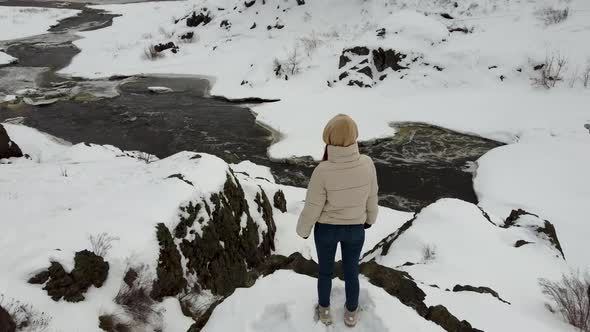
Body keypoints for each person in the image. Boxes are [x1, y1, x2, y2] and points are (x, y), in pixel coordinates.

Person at [296, 114, 379, 327]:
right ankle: (351, 312)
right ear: (355, 136)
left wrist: (303, 230)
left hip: (326, 231)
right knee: (352, 272)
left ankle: (324, 310)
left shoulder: (322, 170)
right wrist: (370, 219)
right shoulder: (367, 163)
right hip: (354, 229)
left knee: (325, 272)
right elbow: (372, 195)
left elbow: (313, 206)